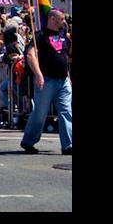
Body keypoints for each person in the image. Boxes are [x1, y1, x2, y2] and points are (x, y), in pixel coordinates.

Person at [20, 9, 72, 155]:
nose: (64, 22)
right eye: (61, 19)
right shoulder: (40, 36)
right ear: (52, 19)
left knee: (66, 111)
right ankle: (28, 141)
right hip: (46, 80)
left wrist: (68, 76)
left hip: (63, 81)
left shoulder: (63, 36)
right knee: (40, 113)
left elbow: (65, 56)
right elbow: (30, 55)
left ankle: (68, 145)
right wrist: (38, 75)